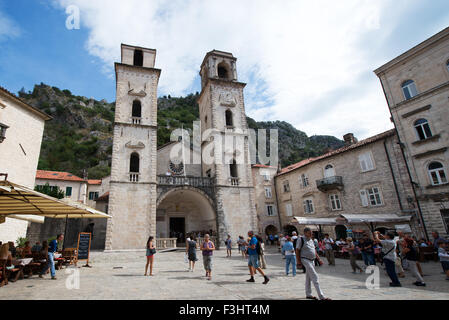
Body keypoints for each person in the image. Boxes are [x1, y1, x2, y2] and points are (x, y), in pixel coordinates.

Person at [296, 228, 330, 300]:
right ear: (305, 233)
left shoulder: (311, 240)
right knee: (315, 276)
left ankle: (308, 294)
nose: (311, 234)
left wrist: (319, 259)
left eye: (311, 233)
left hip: (312, 260)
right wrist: (298, 262)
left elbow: (313, 250)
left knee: (308, 278)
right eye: (309, 233)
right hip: (305, 259)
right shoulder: (301, 239)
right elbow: (297, 250)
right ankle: (321, 296)